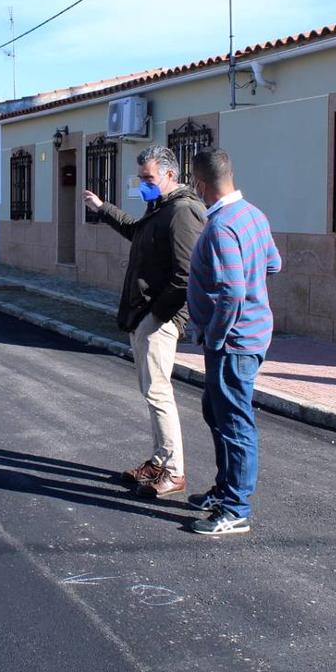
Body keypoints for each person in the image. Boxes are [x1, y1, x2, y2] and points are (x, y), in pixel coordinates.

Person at [83, 145, 205, 498]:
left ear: (170, 174)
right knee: (151, 392)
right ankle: (159, 458)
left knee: (158, 392)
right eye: (141, 178)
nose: (143, 184)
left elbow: (186, 275)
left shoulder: (183, 212)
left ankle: (175, 470)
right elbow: (138, 232)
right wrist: (103, 209)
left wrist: (156, 316)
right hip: (145, 315)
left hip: (158, 318)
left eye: (148, 178)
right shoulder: (161, 207)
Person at [185, 149, 281, 536]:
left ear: (200, 184)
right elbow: (274, 263)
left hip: (233, 342)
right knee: (217, 409)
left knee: (234, 421)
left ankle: (236, 508)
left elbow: (233, 291)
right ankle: (225, 490)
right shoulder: (254, 215)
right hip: (252, 334)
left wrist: (217, 334)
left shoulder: (221, 227)